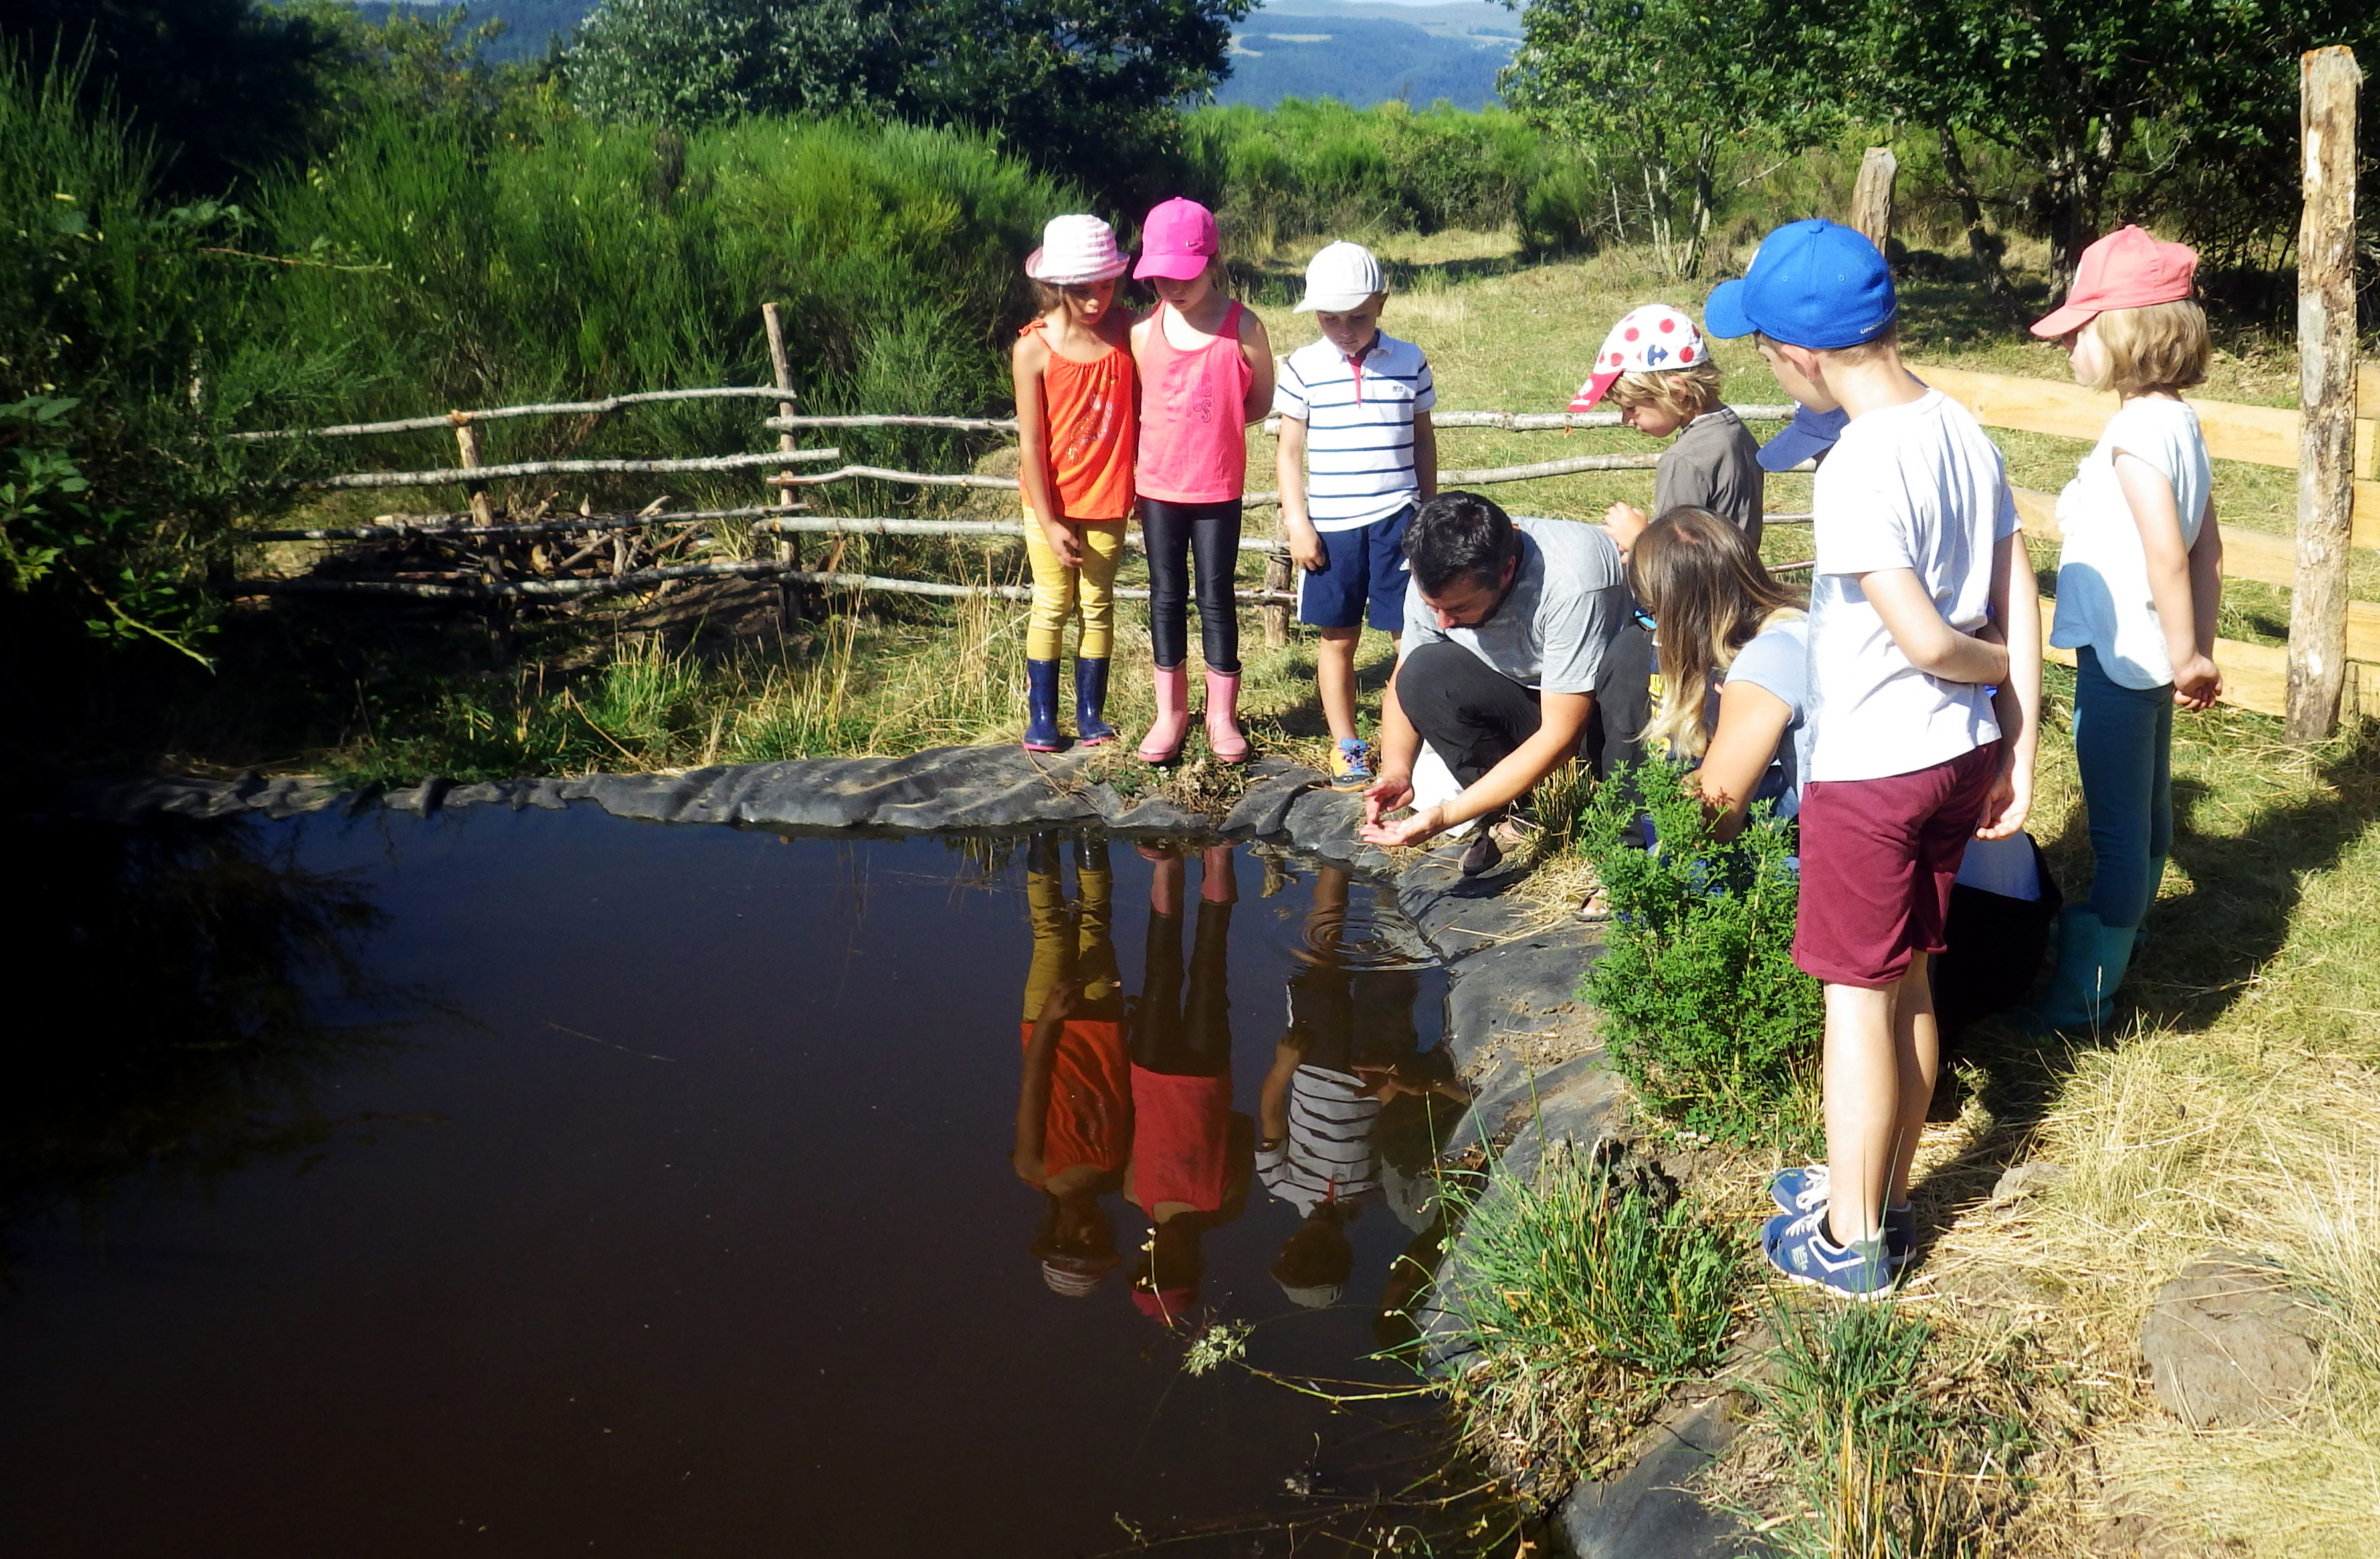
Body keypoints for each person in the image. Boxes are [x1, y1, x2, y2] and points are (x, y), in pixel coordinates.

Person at [1704, 219, 2042, 1300]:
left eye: (1760, 346)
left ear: (1799, 356)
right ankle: (1882, 1191)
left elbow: (1933, 640)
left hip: (1874, 771)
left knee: (1854, 998)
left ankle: (1849, 1246)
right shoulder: (1960, 427)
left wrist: (1981, 670)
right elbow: (2016, 585)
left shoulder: (1853, 468)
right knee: (1908, 977)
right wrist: (2014, 727)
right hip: (1952, 760)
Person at [2019, 225, 2223, 1031]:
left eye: (2079, 331)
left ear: (2127, 335)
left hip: (2121, 659)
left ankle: (2082, 998)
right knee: (2147, 815)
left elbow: (2170, 555)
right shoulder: (2178, 422)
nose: (2068, 345)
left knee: (2115, 832)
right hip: (2154, 659)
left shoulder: (2138, 435)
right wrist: (2195, 652)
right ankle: (2115, 956)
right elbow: (2210, 551)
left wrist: (2185, 652)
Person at [1357, 490, 1652, 877]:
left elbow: (1561, 734)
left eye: (1458, 609)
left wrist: (1447, 815)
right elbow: (1403, 677)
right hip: (1532, 697)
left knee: (1632, 672)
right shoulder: (1438, 571)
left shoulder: (1573, 581)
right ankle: (1522, 811)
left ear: (1508, 570)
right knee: (1423, 673)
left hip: (1601, 714)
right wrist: (1397, 770)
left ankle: (1622, 842)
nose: (1443, 621)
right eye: (1434, 607)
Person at [1256, 864, 1465, 1311]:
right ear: (1345, 1254)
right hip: (1372, 1067)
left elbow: (1273, 1115)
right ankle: (1395, 884)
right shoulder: (1375, 1193)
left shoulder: (1281, 1183)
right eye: (1326, 1259)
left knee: (1321, 962)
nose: (1317, 1248)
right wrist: (1389, 1082)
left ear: (1287, 1247)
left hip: (1312, 1061)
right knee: (1391, 976)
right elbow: (1383, 1126)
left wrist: (1283, 1067)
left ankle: (1336, 862)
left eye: (1304, 1257)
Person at [1274, 241, 1440, 790]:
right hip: (1332, 525)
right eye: (1329, 318)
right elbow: (1289, 452)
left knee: (1405, 635)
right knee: (1337, 638)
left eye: (1358, 317)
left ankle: (1409, 740)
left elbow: (1423, 440)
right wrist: (1299, 523)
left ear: (1382, 304)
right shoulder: (1302, 366)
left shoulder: (1410, 360)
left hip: (1398, 519)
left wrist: (1427, 513)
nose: (1344, 329)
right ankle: (1346, 742)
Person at [1131, 197, 1276, 766]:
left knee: (1216, 597)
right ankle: (1170, 713)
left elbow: (1260, 400)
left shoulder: (1245, 327)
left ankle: (1221, 717)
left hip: (1217, 489)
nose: (1171, 285)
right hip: (1159, 489)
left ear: (1214, 261)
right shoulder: (1145, 332)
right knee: (1165, 596)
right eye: (1160, 274)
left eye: (1184, 273)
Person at [1011, 215, 1138, 753]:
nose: (1096, 300)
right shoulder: (1033, 349)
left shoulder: (1131, 332)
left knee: (1098, 602)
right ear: (1056, 286)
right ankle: (1043, 716)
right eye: (1083, 290)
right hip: (1052, 504)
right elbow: (1032, 445)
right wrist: (1048, 519)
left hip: (1108, 498)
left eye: (1106, 285)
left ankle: (1091, 712)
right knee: (1051, 604)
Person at [1122, 843, 1254, 1326]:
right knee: (1208, 972)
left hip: (1151, 1071)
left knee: (1159, 975)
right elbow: (1242, 1133)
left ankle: (1168, 868)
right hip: (1205, 1076)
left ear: (1142, 1261)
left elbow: (1136, 1130)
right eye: (1171, 1271)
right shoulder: (1223, 1206)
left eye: (1150, 1270)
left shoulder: (1136, 1194)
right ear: (1193, 1265)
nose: (1160, 1262)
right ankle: (1218, 859)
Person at [1625, 507, 1808, 839]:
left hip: (1821, 843)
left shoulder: (1763, 666)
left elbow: (1714, 823)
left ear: (1683, 617)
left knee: (1677, 861)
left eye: (1653, 613)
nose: (1655, 632)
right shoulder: (1793, 627)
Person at [1012, 831, 1130, 1299]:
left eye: (1079, 1243)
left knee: (1049, 931)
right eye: (1099, 1241)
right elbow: (1126, 1090)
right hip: (1103, 1024)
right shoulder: (1116, 1169)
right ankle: (1089, 832)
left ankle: (1042, 831)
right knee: (1096, 926)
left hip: (1048, 1025)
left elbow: (1034, 1087)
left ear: (1055, 1234)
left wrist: (1048, 1021)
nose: (1090, 1233)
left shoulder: (1034, 1167)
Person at [1577, 304, 1765, 551]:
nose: (1626, 420)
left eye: (1632, 408)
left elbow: (1674, 562)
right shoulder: (1733, 430)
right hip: (1738, 582)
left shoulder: (1683, 460)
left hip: (1702, 589)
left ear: (1676, 392)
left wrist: (1639, 542)